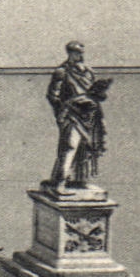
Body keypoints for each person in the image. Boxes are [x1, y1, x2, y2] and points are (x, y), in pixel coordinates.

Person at [46, 41, 111, 188]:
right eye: (77, 53)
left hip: (90, 114)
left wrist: (99, 94)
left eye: (82, 52)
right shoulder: (62, 71)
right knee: (70, 146)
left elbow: (94, 93)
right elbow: (53, 95)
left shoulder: (89, 71)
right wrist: (65, 109)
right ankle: (60, 180)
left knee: (86, 147)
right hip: (72, 114)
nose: (81, 55)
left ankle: (79, 180)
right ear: (70, 53)